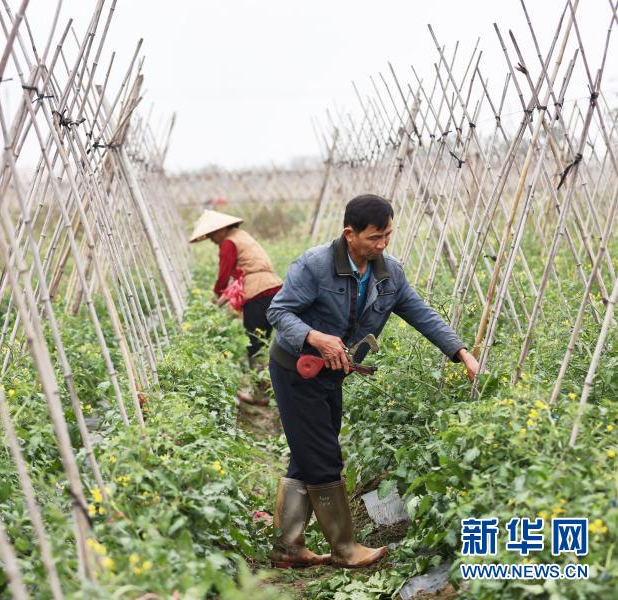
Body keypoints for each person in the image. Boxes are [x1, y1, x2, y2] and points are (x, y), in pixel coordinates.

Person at [265, 194, 480, 569]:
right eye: (374, 237)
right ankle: (344, 548)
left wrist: (461, 352)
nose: (382, 244)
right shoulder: (315, 265)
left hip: (333, 373)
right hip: (297, 369)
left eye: (387, 235)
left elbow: (419, 312)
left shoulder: (388, 273)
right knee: (324, 456)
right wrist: (315, 336)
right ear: (350, 234)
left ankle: (288, 547)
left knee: (309, 451)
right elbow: (278, 311)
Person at [189, 210, 283, 387]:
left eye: (211, 235)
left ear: (220, 229)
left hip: (258, 292)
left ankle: (260, 390)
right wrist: (221, 300)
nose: (211, 239)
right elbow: (241, 276)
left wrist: (216, 296)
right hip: (275, 288)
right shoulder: (241, 235)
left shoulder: (228, 243)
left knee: (254, 343)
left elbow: (223, 276)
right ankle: (269, 385)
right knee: (265, 340)